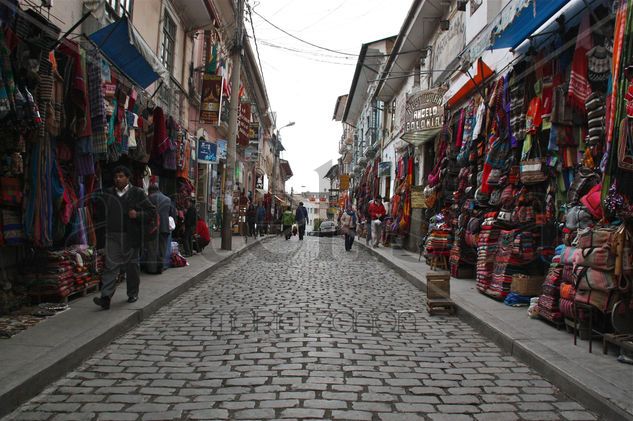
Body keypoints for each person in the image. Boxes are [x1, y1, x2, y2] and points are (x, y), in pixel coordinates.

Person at [94, 165, 155, 310]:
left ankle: (133, 293)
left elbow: (151, 212)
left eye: (121, 176)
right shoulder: (108, 193)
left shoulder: (137, 193)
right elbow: (101, 215)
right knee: (110, 266)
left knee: (132, 266)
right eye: (116, 177)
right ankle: (106, 297)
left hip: (130, 236)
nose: (118, 179)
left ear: (127, 178)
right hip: (112, 235)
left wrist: (138, 215)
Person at [147, 184, 176, 274]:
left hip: (153, 227)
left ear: (150, 191)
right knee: (162, 249)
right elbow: (172, 213)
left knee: (152, 248)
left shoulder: (149, 198)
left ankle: (152, 269)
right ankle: (160, 268)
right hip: (164, 227)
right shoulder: (167, 199)